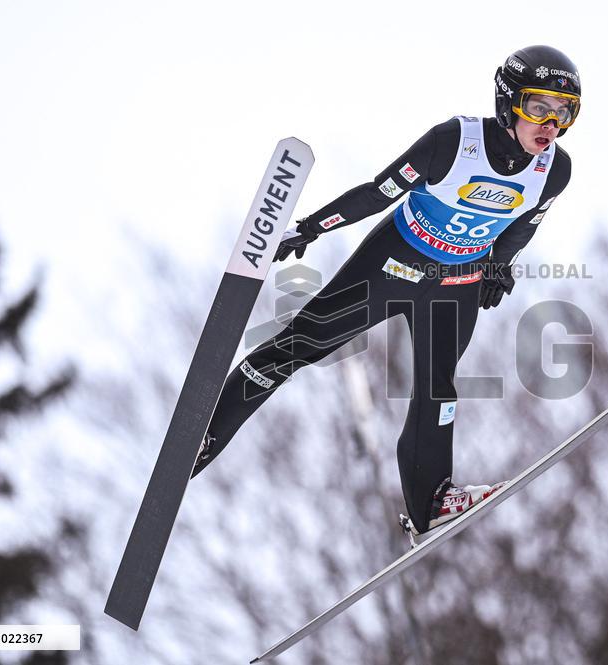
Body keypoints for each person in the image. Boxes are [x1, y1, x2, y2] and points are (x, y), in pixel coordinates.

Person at [191, 45, 579, 535]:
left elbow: (523, 224)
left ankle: (430, 502)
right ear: (508, 103)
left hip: (456, 281)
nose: (550, 124)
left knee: (438, 387)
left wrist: (501, 266)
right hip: (394, 262)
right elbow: (379, 193)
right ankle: (206, 433)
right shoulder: (452, 143)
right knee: (303, 345)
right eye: (538, 107)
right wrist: (312, 227)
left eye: (564, 113)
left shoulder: (555, 171)